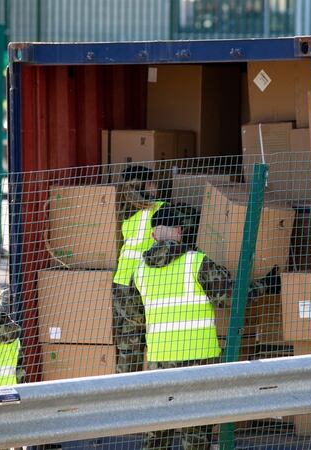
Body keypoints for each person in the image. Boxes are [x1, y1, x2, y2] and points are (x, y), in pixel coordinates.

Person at [130, 204, 277, 450]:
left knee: (158, 432)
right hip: (198, 360)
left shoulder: (140, 272)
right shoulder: (196, 263)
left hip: (159, 362)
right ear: (179, 231)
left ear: (153, 235)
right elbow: (231, 298)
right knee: (196, 431)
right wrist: (265, 285)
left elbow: (135, 316)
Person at [112, 164, 165, 373]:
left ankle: (125, 386)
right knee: (154, 331)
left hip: (123, 281)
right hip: (146, 279)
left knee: (128, 339)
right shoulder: (161, 208)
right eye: (153, 182)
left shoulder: (123, 209)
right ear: (147, 185)